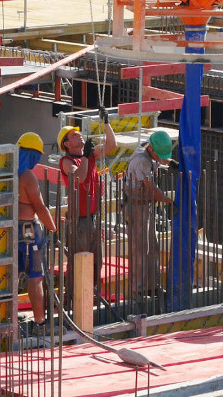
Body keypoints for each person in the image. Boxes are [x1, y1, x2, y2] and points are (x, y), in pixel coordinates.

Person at [57, 107, 117, 290]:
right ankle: (74, 298)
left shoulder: (88, 155)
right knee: (79, 261)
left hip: (93, 217)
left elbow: (112, 146)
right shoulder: (67, 162)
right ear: (66, 144)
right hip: (79, 220)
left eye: (78, 133)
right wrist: (84, 156)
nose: (79, 136)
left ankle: (93, 296)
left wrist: (106, 123)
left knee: (96, 262)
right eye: (74, 136)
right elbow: (80, 177)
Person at [124, 130, 176, 297]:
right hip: (136, 206)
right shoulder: (142, 161)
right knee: (140, 248)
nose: (161, 159)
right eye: (159, 155)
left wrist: (172, 163)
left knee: (152, 247)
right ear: (152, 150)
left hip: (145, 205)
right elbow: (152, 189)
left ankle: (153, 286)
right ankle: (138, 289)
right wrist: (169, 201)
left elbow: (162, 157)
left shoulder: (148, 148)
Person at [16, 132, 57, 332]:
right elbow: (40, 208)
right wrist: (53, 228)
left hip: (12, 231)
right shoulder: (28, 177)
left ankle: (9, 318)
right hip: (28, 232)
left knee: (12, 277)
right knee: (35, 277)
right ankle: (40, 322)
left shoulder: (9, 174)